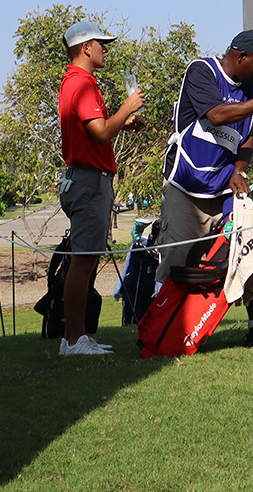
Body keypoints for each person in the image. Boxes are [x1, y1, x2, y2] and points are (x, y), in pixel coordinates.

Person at [154, 30, 253, 347]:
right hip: (185, 183)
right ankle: (158, 332)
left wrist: (239, 170)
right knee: (175, 256)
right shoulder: (202, 70)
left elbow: (247, 138)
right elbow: (215, 115)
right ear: (241, 56)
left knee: (247, 247)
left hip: (226, 185)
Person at [56, 20, 146, 356]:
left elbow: (99, 130)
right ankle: (74, 340)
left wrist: (124, 122)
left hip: (85, 178)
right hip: (89, 181)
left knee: (84, 259)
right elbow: (100, 134)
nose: (105, 49)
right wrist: (127, 108)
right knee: (83, 261)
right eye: (101, 44)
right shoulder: (81, 84)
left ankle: (75, 337)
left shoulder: (75, 81)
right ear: (85, 48)